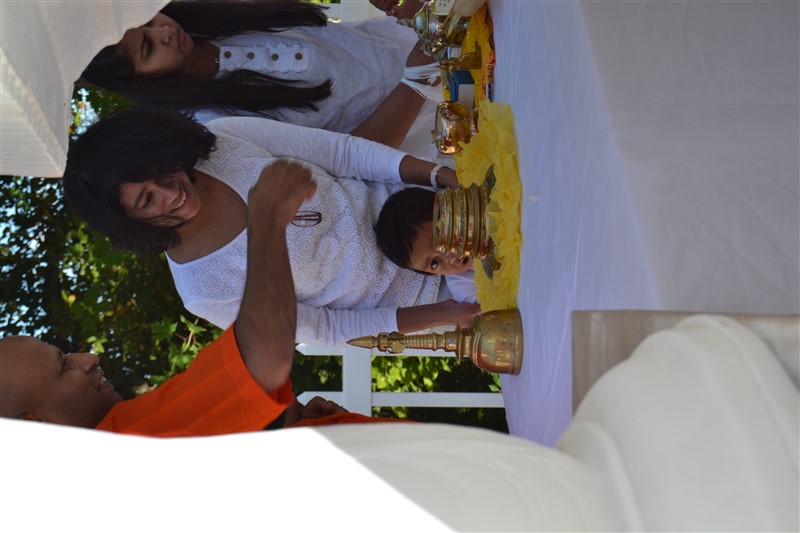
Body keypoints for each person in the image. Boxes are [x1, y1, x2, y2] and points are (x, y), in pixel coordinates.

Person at [0, 161, 389, 437]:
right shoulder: (129, 438)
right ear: (37, 425)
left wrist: (292, 434)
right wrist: (267, 218)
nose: (88, 358)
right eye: (63, 367)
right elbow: (263, 362)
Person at [62, 107, 481, 346]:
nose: (169, 191)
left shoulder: (223, 139)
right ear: (131, 224)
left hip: (439, 208)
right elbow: (326, 328)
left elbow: (342, 153)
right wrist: (445, 314)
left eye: (157, 169)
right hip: (443, 297)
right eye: (146, 200)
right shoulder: (204, 292)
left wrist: (438, 176)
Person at [81, 1, 441, 156]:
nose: (162, 31)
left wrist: (401, 10)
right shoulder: (217, 124)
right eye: (147, 47)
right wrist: (417, 79)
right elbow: (352, 155)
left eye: (148, 20)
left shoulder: (220, 14)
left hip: (428, 38)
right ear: (140, 82)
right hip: (439, 127)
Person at [376, 187, 477, 304]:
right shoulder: (461, 285)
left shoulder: (477, 200)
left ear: (450, 208)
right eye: (434, 263)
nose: (451, 256)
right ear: (431, 273)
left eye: (441, 237)